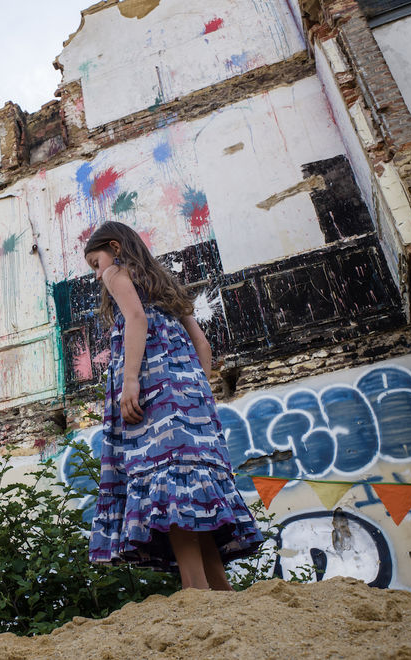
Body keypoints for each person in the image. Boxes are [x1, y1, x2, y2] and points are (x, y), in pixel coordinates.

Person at [82, 221, 262, 590]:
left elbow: (135, 318)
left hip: (154, 391)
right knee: (192, 486)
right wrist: (197, 389)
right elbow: (203, 345)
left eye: (95, 263)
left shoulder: (117, 273)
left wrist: (131, 380)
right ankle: (219, 588)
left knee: (167, 481)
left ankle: (195, 590)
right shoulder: (165, 285)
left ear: (114, 248)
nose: (98, 274)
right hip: (190, 394)